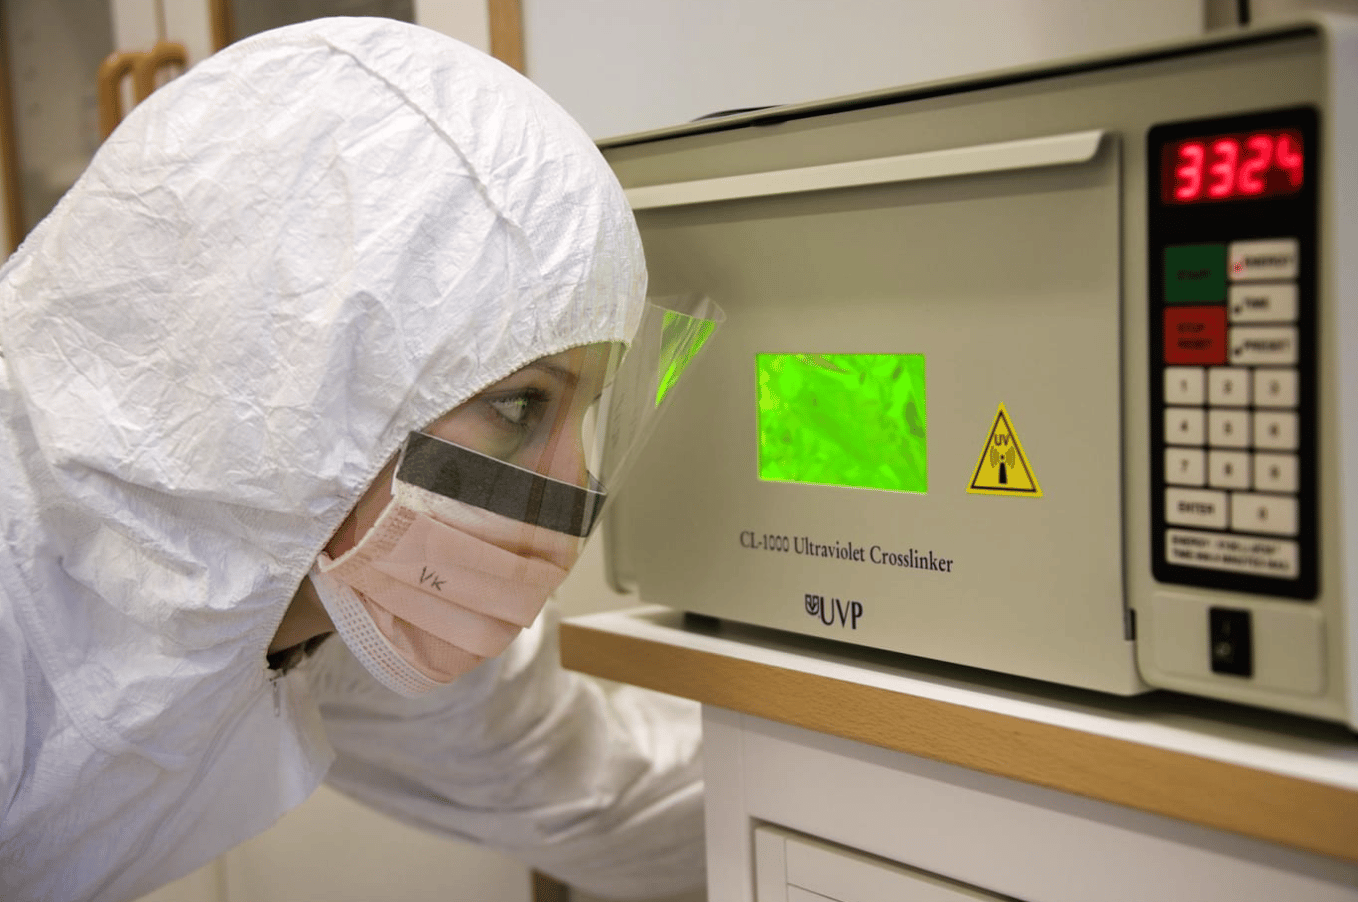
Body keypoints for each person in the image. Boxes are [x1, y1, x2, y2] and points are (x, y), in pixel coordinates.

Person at [0, 17, 709, 902]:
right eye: (520, 405)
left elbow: (580, 786)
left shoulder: (316, 605)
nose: (569, 494)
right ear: (303, 368)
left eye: (587, 412)